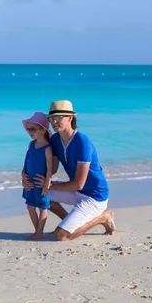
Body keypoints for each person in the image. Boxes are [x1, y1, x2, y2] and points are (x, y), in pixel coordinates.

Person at [23, 100, 115, 241]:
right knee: (42, 194)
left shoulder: (82, 143)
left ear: (70, 118)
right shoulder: (55, 141)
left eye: (58, 117)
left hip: (94, 196)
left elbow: (79, 184)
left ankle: (103, 217)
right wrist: (26, 177)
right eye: (51, 118)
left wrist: (50, 185)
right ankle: (71, 222)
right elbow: (51, 169)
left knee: (61, 235)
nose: (53, 121)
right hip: (74, 191)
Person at [21, 112, 53, 240]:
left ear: (43, 130)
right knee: (30, 206)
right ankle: (37, 231)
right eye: (28, 129)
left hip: (40, 183)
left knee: (42, 207)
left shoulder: (47, 149)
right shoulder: (31, 145)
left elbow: (49, 170)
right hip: (30, 183)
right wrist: (23, 175)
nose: (30, 132)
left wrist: (47, 185)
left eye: (33, 129)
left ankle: (40, 232)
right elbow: (26, 162)